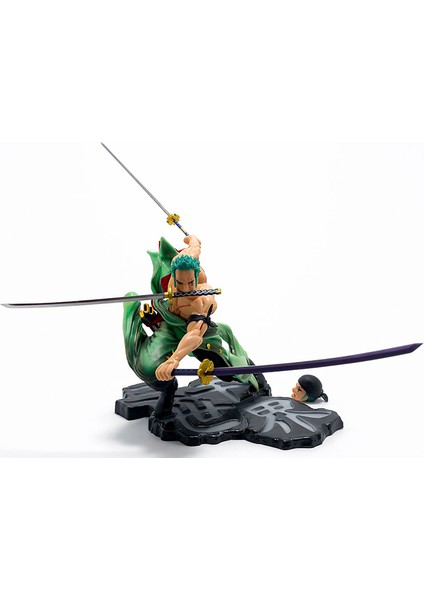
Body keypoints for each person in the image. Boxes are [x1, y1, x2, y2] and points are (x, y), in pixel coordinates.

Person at [123, 235, 270, 418]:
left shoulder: (201, 300)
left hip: (198, 332)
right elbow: (195, 245)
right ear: (174, 274)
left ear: (196, 275)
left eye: (190, 283)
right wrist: (191, 239)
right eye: (180, 283)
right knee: (146, 367)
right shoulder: (181, 261)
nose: (185, 289)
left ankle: (254, 374)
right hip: (170, 325)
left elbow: (194, 335)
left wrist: (174, 360)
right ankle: (168, 390)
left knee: (226, 372)